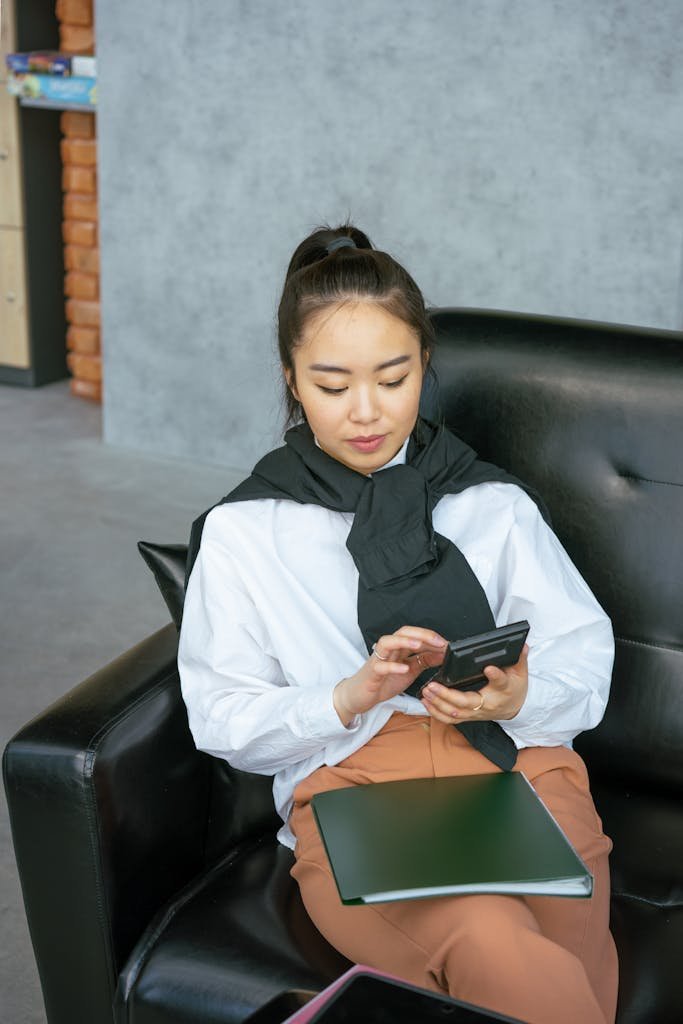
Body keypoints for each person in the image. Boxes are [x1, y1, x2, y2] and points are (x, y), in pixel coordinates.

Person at [178, 224, 618, 1024]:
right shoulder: (245, 532)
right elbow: (223, 718)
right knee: (491, 941)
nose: (366, 412)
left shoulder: (492, 506)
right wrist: (345, 695)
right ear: (291, 379)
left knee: (567, 953)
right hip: (355, 782)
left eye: (393, 376)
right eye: (331, 384)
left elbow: (584, 663)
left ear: (423, 364)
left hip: (519, 766)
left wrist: (513, 698)